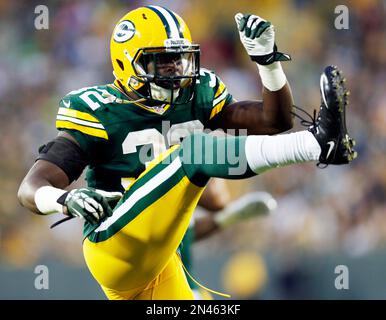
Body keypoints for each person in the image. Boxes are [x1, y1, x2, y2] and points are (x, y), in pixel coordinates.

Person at [17, 6, 356, 299]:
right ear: (126, 64)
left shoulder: (196, 95)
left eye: (180, 58)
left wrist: (267, 61)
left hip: (163, 260)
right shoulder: (99, 110)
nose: (176, 69)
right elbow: (30, 188)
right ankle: (316, 144)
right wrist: (64, 200)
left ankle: (318, 142)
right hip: (115, 245)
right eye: (162, 62)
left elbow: (275, 120)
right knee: (192, 153)